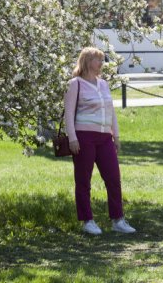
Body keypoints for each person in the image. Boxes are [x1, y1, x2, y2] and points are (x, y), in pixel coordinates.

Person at [64, 47, 136, 235]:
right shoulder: (75, 84)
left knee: (113, 178)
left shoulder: (103, 84)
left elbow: (110, 111)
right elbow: (69, 114)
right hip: (84, 137)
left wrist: (116, 136)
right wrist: (72, 138)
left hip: (105, 138)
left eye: (102, 60)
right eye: (98, 60)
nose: (101, 64)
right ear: (87, 61)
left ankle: (118, 219)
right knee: (83, 180)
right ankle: (87, 220)